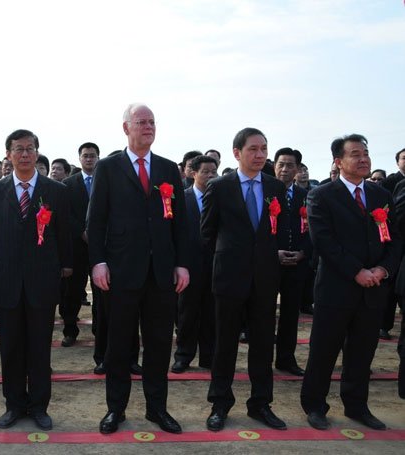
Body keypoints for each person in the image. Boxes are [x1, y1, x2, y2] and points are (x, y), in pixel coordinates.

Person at [88, 103, 189, 435]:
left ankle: (156, 408)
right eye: (142, 122)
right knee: (119, 345)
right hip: (121, 272)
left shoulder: (168, 169)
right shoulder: (108, 168)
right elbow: (96, 220)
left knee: (159, 344)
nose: (148, 127)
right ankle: (115, 409)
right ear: (126, 128)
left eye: (152, 122)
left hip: (161, 273)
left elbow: (181, 224)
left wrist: (181, 264)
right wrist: (98, 262)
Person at [301, 134, 401, 431]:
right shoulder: (322, 195)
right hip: (336, 287)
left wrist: (383, 269)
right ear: (338, 161)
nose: (363, 159)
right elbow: (324, 241)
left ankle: (357, 406)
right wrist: (357, 271)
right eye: (355, 154)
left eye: (365, 153)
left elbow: (395, 239)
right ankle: (315, 406)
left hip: (374, 288)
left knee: (362, 351)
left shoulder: (381, 194)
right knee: (324, 350)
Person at [0, 129, 72, 431]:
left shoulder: (56, 191)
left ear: (37, 153)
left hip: (42, 282)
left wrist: (65, 267)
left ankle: (39, 406)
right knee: (10, 349)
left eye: (30, 148)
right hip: (6, 282)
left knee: (39, 349)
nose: (24, 154)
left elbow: (63, 234)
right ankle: (14, 405)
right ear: (8, 155)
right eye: (18, 149)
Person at [201, 127, 288, 432]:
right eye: (253, 149)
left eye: (264, 148)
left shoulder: (275, 187)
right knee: (224, 345)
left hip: (265, 279)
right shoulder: (219, 187)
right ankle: (220, 403)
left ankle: (261, 403)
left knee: (263, 345)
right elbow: (207, 234)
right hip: (229, 279)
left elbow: (279, 230)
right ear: (237, 153)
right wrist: (224, 263)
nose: (260, 154)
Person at [172, 155, 218, 374]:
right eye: (205, 172)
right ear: (193, 173)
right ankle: (183, 355)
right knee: (187, 313)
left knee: (212, 313)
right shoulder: (182, 198)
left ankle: (208, 356)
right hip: (188, 266)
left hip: (215, 264)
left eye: (213, 172)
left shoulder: (221, 197)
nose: (210, 176)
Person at [273, 148, 311, 376]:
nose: (285, 169)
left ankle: (286, 359)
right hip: (269, 262)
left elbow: (315, 229)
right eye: (281, 164)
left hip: (297, 263)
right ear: (274, 166)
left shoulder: (307, 196)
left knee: (290, 315)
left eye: (290, 165)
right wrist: (273, 252)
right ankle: (261, 359)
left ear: (297, 169)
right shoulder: (264, 191)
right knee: (264, 313)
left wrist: (303, 252)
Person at [61, 143, 99, 348]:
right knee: (72, 291)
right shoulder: (68, 184)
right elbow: (65, 214)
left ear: (98, 158)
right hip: (76, 245)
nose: (89, 159)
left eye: (93, 156)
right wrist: (81, 232)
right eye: (86, 156)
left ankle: (99, 331)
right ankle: (70, 330)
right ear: (79, 158)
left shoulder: (106, 179)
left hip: (101, 245)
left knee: (101, 290)